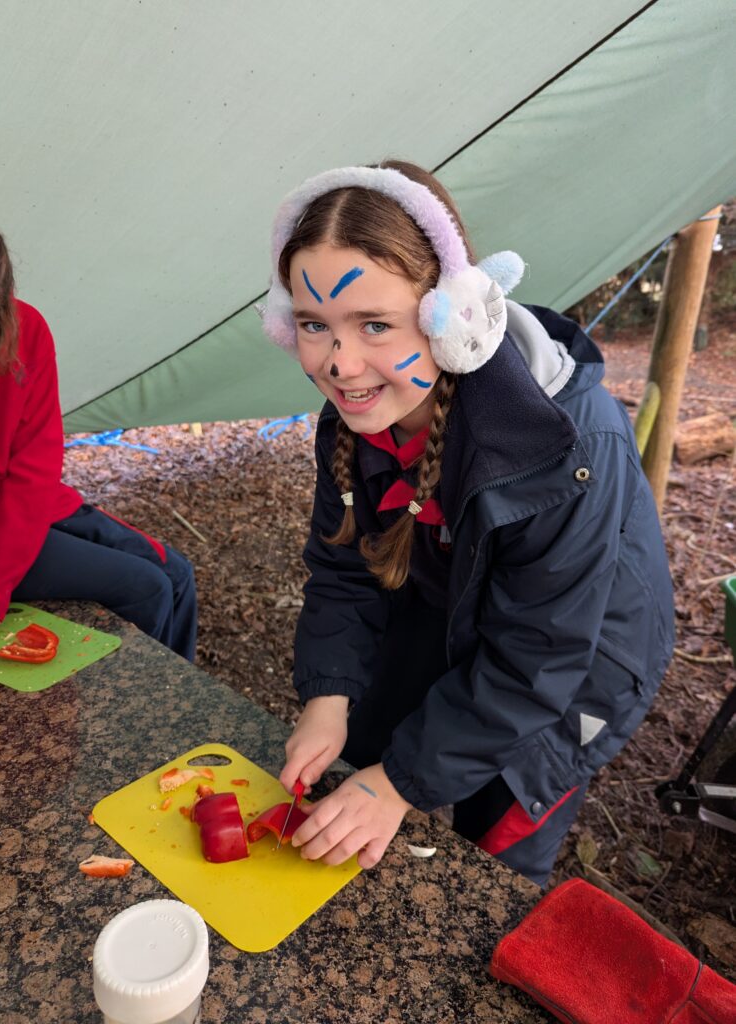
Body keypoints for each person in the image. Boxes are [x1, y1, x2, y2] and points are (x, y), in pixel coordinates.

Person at [258, 160, 675, 886]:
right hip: (447, 605)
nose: (340, 363)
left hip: (576, 668)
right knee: (371, 756)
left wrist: (398, 785)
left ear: (449, 315)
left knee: (496, 858)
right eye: (313, 325)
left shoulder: (565, 447)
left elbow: (538, 654)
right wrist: (329, 698)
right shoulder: (356, 417)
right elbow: (343, 567)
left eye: (376, 324)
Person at [0, 206, 197, 660]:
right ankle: (122, 714)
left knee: (178, 574)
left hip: (24, 506)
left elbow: (36, 463)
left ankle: (174, 705)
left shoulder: (27, 329)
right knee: (146, 589)